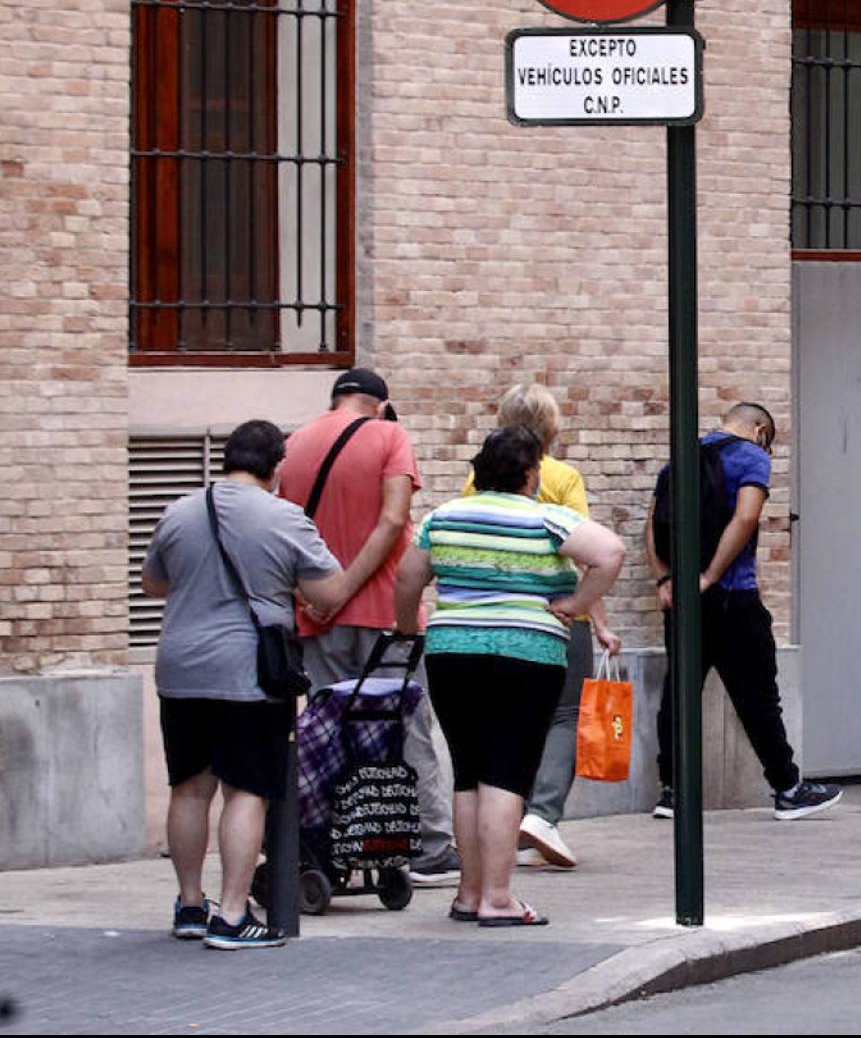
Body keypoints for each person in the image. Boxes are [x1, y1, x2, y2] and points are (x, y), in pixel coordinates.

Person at [395, 426, 626, 928]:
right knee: (507, 772)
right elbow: (610, 553)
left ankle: (468, 893)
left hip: (452, 654)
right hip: (527, 655)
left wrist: (406, 625)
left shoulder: (443, 517)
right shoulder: (547, 517)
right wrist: (577, 604)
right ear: (529, 474)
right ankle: (498, 899)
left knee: (468, 774)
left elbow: (408, 577)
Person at [143, 420, 356, 950]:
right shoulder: (284, 517)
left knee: (189, 788)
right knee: (247, 791)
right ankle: (234, 916)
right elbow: (330, 592)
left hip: (180, 667)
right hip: (249, 671)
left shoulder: (178, 511)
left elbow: (153, 582)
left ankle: (191, 905)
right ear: (276, 467)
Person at [281, 367, 456, 885]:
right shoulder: (389, 435)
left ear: (335, 400)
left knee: (329, 731)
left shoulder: (295, 443)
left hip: (317, 617)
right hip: (384, 614)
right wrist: (347, 586)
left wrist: (315, 596)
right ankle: (429, 848)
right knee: (406, 728)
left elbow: (282, 533)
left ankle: (335, 847)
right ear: (380, 404)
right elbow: (393, 519)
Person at [647, 403, 843, 820]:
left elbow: (652, 525)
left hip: (683, 600)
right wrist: (711, 575)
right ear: (760, 430)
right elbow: (747, 515)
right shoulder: (750, 455)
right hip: (734, 597)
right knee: (758, 698)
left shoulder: (680, 459)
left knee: (679, 693)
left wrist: (665, 580)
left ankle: (671, 792)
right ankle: (788, 788)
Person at [463, 383, 621, 870]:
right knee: (566, 716)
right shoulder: (563, 476)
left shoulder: (477, 480)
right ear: (551, 428)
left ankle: (509, 819)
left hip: (491, 616)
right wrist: (597, 620)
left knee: (506, 719)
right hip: (557, 614)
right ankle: (543, 815)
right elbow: (587, 556)